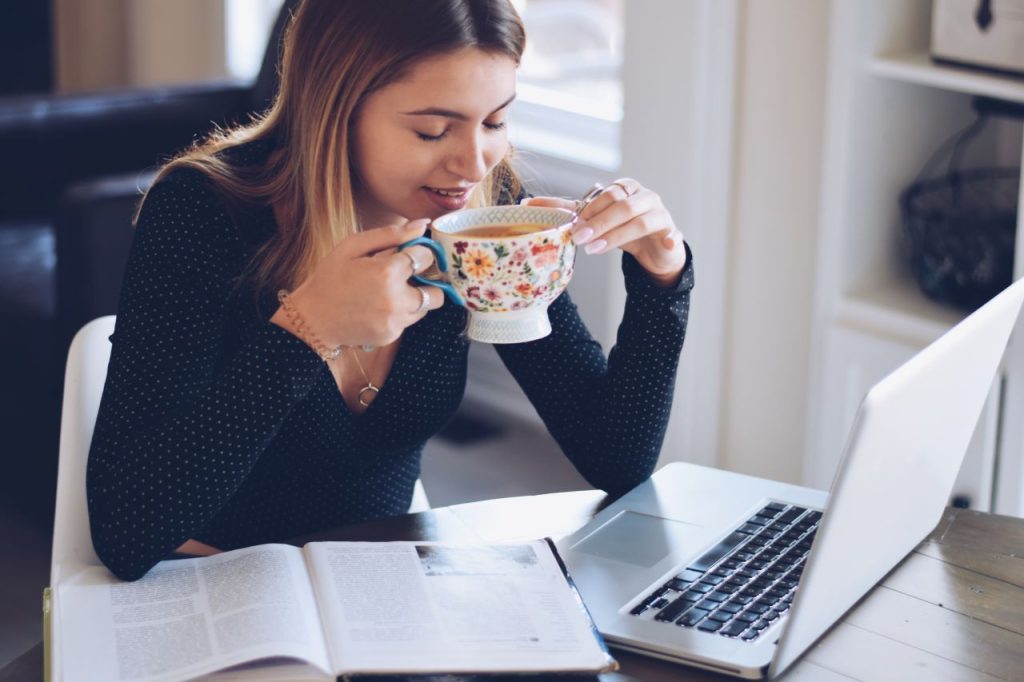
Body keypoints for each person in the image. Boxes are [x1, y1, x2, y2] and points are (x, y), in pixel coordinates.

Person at [86, 0, 694, 582]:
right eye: (433, 131)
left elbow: (617, 457)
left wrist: (660, 279)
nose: (474, 164)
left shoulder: (480, 217)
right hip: (210, 585)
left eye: (496, 121)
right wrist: (307, 331)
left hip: (382, 594)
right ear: (335, 108)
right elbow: (126, 534)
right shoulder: (202, 212)